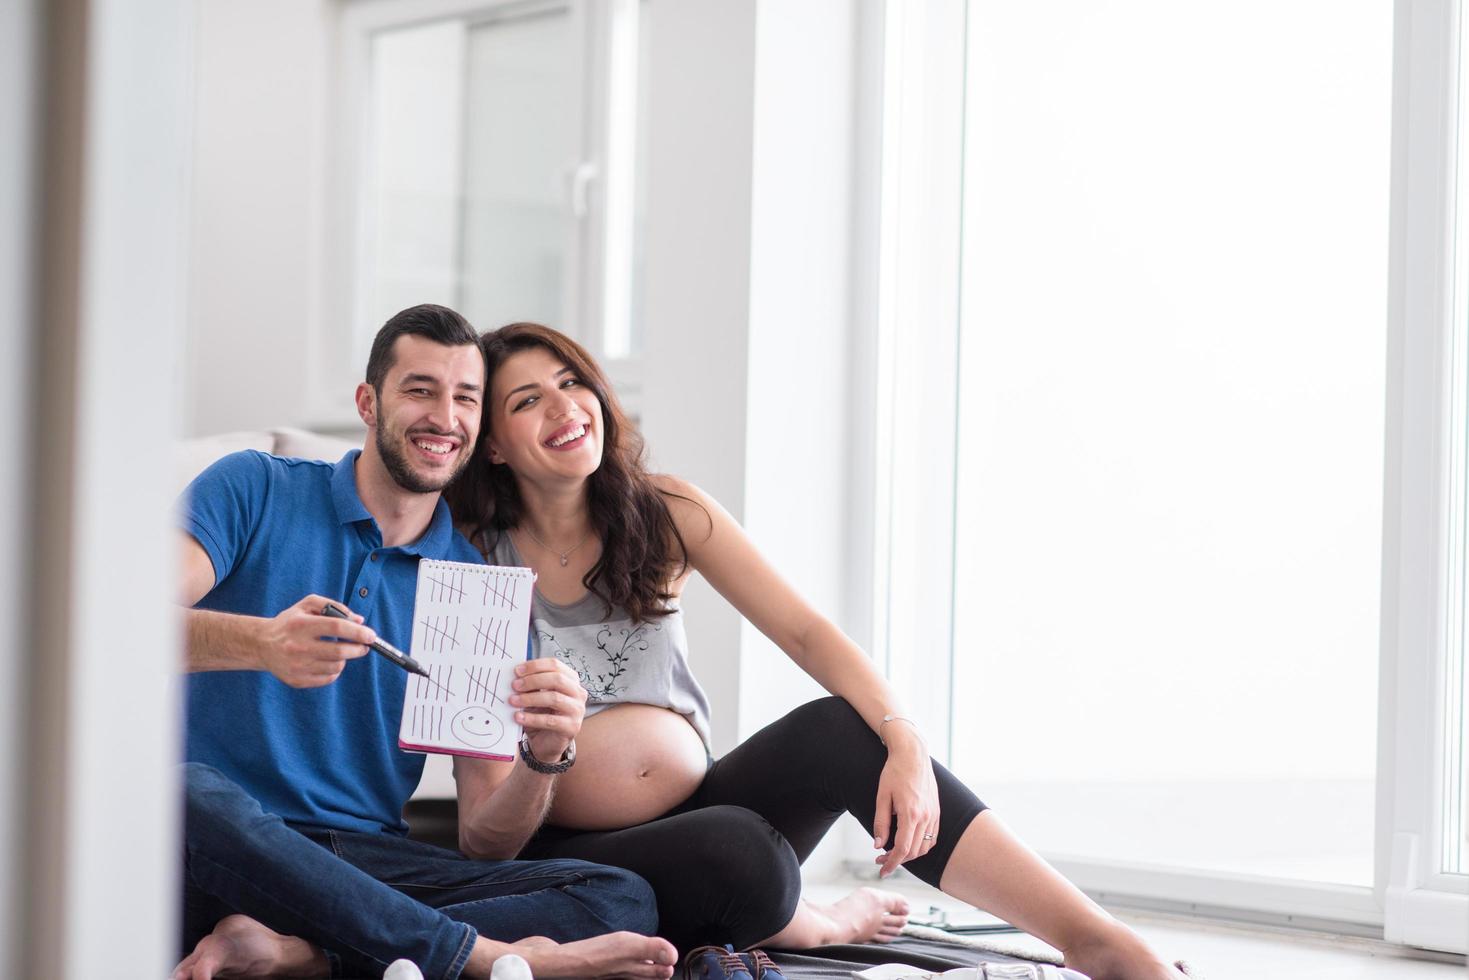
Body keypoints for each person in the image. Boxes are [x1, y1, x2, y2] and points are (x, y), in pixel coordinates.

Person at [444, 322, 1188, 980]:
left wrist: (904, 742)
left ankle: (1094, 939)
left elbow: (805, 632)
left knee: (840, 728)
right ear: (496, 447)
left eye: (572, 382)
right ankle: (818, 922)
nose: (564, 406)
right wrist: (546, 754)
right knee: (742, 855)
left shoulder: (666, 512)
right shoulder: (472, 562)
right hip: (574, 854)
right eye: (526, 400)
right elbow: (483, 839)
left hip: (702, 804)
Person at [174, 305, 676, 980]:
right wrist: (262, 643)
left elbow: (483, 839)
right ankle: (474, 958)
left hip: (361, 860)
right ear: (367, 402)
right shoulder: (255, 488)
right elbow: (118, 625)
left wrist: (543, 756)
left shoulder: (474, 585)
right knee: (181, 792)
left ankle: (302, 955)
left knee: (617, 896)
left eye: (465, 397)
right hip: (218, 848)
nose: (444, 416)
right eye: (419, 390)